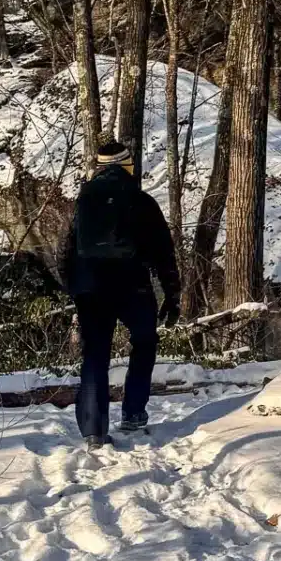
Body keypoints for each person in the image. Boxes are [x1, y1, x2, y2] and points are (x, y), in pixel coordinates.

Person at [60, 138, 181, 445]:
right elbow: (163, 253)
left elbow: (67, 250)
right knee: (144, 342)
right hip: (132, 286)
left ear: (98, 168)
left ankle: (93, 430)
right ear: (128, 165)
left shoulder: (84, 201)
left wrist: (73, 288)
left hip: (91, 289)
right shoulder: (141, 200)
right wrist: (172, 295)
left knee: (95, 354)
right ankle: (133, 413)